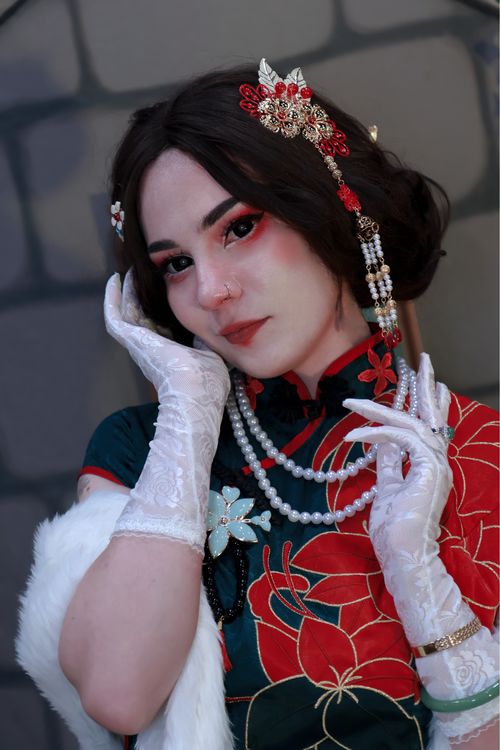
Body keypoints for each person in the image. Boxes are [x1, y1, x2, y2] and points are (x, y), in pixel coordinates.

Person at [17, 59, 499, 750]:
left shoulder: (484, 453)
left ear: (331, 210)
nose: (210, 290)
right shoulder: (141, 450)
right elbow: (116, 697)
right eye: (175, 263)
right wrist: (189, 407)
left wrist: (419, 579)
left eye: (239, 228)